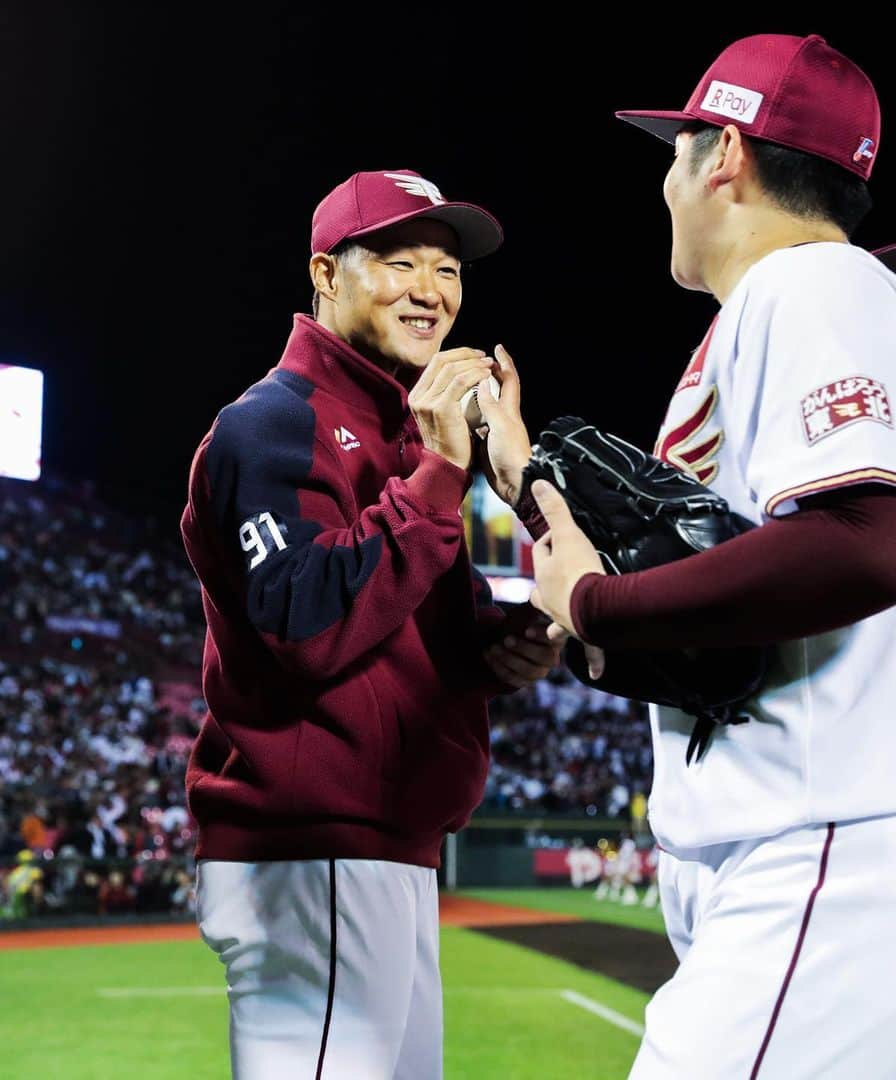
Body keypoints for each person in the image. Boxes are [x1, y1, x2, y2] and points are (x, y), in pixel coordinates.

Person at [491, 33, 896, 1078]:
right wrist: (532, 493)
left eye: (676, 149)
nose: (665, 179)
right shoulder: (787, 309)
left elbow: (874, 549)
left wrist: (602, 605)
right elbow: (844, 575)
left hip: (840, 849)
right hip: (853, 845)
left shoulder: (811, 288)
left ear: (727, 157)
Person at [180, 168, 559, 1079]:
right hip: (311, 856)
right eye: (398, 261)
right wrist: (436, 478)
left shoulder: (403, 426)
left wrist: (485, 654)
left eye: (448, 269)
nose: (431, 290)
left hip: (387, 853)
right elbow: (305, 625)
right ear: (325, 275)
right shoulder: (271, 424)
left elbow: (390, 634)